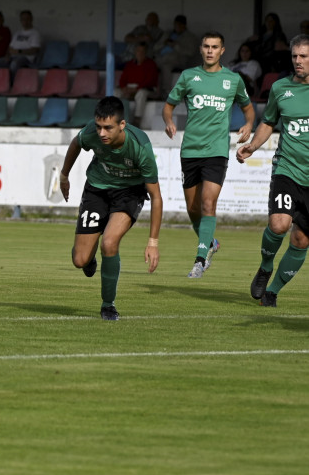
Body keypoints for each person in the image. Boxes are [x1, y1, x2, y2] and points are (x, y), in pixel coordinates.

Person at [59, 96, 162, 321]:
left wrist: (152, 242)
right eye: (98, 127)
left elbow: (156, 196)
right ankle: (89, 257)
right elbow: (76, 144)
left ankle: (108, 305)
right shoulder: (91, 133)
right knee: (80, 260)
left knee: (109, 242)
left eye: (108, 128)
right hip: (96, 189)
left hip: (129, 193)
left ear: (122, 125)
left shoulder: (140, 146)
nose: (102, 133)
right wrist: (64, 175)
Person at [162, 31, 254, 278]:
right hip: (190, 150)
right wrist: (169, 121)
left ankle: (200, 260)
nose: (210, 50)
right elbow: (168, 106)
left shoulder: (233, 80)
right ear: (201, 49)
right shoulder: (188, 76)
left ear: (222, 50)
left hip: (216, 151)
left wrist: (248, 125)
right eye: (206, 46)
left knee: (207, 203)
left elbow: (248, 109)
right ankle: (211, 242)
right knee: (193, 209)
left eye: (215, 47)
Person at [235, 34, 309, 308]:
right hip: (287, 169)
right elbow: (269, 122)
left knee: (301, 240)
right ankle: (265, 267)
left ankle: (273, 291)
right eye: (295, 56)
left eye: (303, 56)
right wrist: (253, 146)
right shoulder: (280, 88)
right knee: (279, 224)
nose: (298, 61)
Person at [115, 41, 159, 128]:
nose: (140, 53)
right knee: (116, 92)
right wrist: (124, 88)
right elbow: (122, 79)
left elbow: (150, 81)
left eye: (142, 51)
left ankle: (137, 120)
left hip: (146, 89)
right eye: (138, 50)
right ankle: (116, 118)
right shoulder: (129, 64)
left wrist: (136, 89)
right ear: (135, 52)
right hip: (129, 88)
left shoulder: (151, 64)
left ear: (146, 52)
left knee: (141, 94)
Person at [154, 14, 201, 94]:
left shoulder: (190, 37)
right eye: (176, 25)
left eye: (179, 25)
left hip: (178, 60)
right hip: (161, 58)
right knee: (150, 64)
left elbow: (191, 52)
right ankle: (153, 90)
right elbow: (155, 47)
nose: (177, 27)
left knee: (166, 66)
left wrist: (175, 45)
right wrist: (164, 43)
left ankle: (166, 91)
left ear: (184, 25)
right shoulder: (168, 33)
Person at [0, 9, 41, 76]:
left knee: (14, 63)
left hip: (26, 58)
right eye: (23, 19)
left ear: (31, 19)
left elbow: (34, 50)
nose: (25, 21)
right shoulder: (17, 33)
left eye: (27, 19)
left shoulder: (35, 33)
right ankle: (1, 83)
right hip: (13, 57)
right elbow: (10, 47)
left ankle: (12, 84)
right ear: (20, 20)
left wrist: (19, 51)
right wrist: (7, 55)